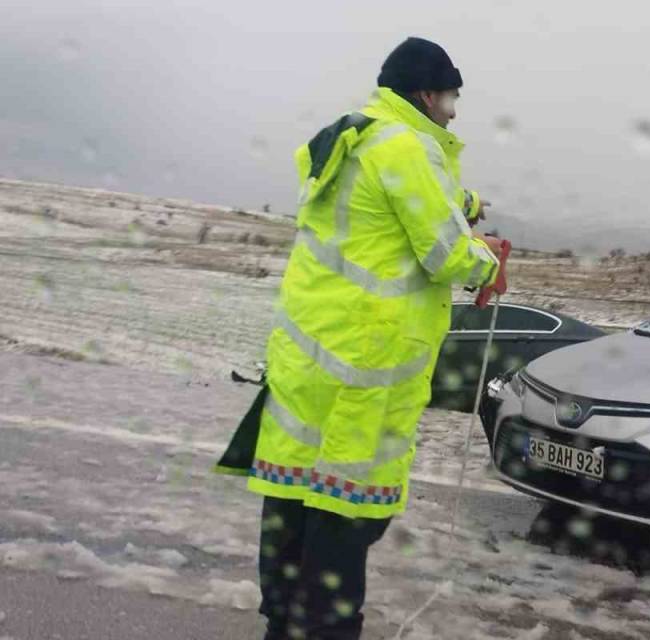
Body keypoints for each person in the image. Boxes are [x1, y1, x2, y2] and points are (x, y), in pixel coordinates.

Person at [245, 37, 507, 639]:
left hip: (308, 356)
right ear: (424, 94)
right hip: (363, 364)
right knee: (345, 513)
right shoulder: (410, 146)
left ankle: (281, 623)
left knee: (293, 498)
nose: (453, 111)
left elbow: (383, 204)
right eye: (449, 98)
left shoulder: (352, 135)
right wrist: (488, 265)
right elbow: (443, 253)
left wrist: (463, 202)